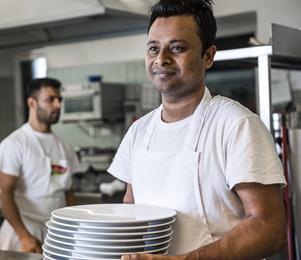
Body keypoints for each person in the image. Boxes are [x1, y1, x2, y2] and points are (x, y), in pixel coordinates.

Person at [107, 0, 287, 259]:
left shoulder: (236, 125)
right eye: (153, 48)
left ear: (208, 56)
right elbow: (130, 208)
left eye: (177, 48)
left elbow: (269, 228)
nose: (161, 59)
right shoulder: (139, 132)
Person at [0, 77, 81, 253]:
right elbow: (4, 195)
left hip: (56, 232)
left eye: (59, 99)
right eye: (50, 99)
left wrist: (70, 228)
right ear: (32, 103)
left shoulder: (64, 147)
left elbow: (69, 193)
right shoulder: (14, 144)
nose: (58, 105)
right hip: (22, 232)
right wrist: (24, 236)